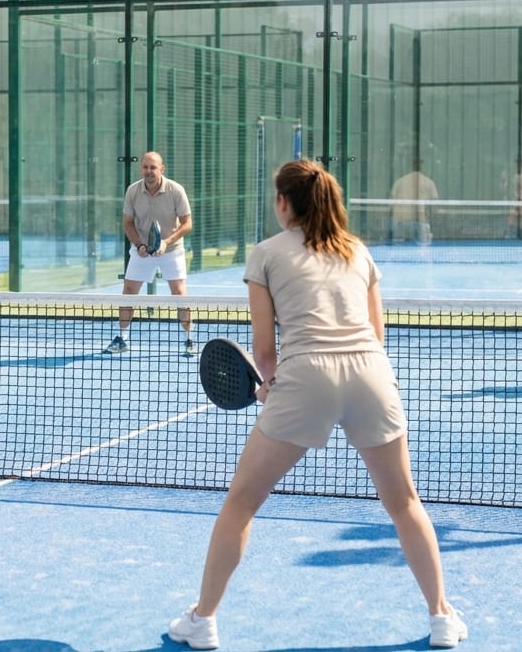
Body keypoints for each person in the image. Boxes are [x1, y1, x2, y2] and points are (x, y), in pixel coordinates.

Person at [167, 160, 468, 650]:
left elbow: (265, 350)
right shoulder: (360, 252)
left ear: (284, 202)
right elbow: (377, 333)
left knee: (241, 504)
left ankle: (203, 620)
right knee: (404, 502)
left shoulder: (264, 254)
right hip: (372, 373)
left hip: (308, 376)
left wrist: (271, 383)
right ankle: (442, 618)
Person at [103, 151, 196, 356]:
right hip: (141, 249)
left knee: (180, 294)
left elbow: (187, 223)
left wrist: (166, 242)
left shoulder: (176, 190)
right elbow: (127, 223)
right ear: (141, 169)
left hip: (171, 249)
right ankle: (122, 339)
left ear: (162, 169)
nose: (149, 171)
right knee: (128, 292)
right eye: (145, 167)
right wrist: (139, 245)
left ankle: (189, 340)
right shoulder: (133, 191)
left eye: (153, 167)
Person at [389, 162, 438, 245]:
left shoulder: (399, 181)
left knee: (397, 245)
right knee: (424, 245)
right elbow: (434, 202)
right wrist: (429, 217)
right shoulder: (429, 182)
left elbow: (392, 200)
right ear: (422, 168)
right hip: (420, 219)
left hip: (400, 219)